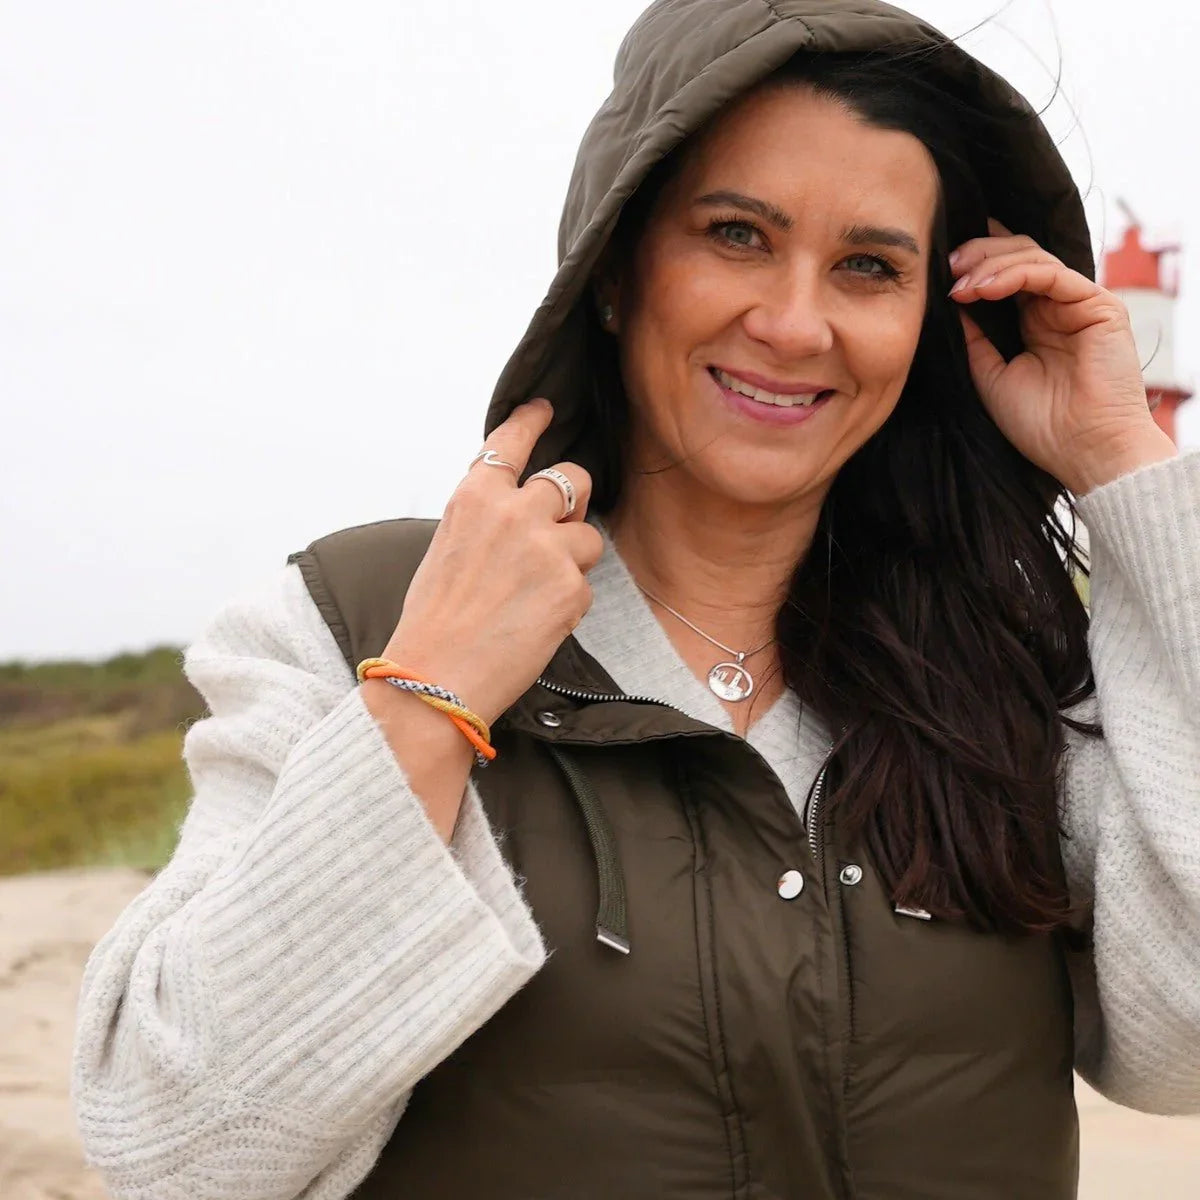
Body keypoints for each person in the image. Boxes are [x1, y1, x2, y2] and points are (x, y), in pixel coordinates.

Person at [73, 1, 1200, 1197]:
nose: (794, 321)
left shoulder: (1001, 672)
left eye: (869, 267)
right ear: (614, 273)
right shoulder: (350, 622)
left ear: (930, 320)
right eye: (735, 235)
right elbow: (179, 1147)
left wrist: (1127, 471)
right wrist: (425, 699)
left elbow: (1179, 1047)